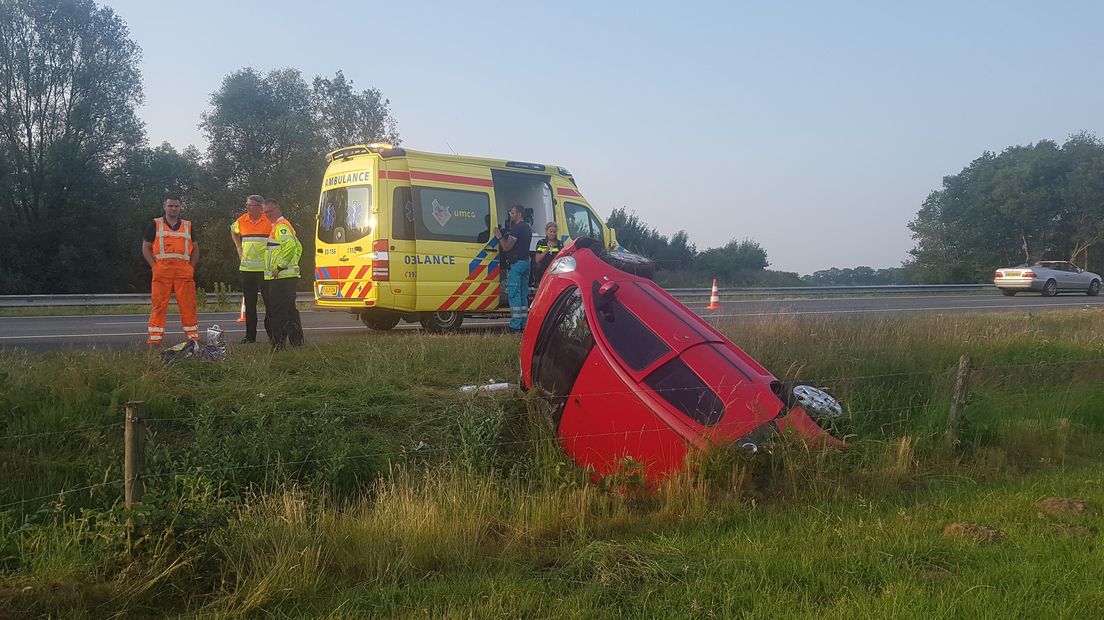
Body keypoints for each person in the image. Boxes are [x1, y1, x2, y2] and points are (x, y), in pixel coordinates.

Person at [142, 195, 200, 345]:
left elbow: (196, 249)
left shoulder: (188, 225)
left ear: (180, 207)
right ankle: (154, 339)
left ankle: (193, 338)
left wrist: (190, 268)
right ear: (164, 207)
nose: (174, 208)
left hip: (183, 272)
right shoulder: (155, 224)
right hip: (162, 271)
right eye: (171, 206)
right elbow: (146, 247)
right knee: (159, 305)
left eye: (176, 206)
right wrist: (154, 266)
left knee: (188, 305)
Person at [229, 194, 272, 343]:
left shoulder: (269, 220)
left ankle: (273, 335)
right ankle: (250, 336)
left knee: (269, 303)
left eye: (250, 205)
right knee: (249, 304)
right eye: (246, 205)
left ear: (260, 208)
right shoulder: (242, 220)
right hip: (247, 268)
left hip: (266, 269)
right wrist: (238, 247)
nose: (247, 207)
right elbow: (233, 230)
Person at [262, 199, 304, 349]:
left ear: (278, 209)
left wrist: (280, 267)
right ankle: (296, 341)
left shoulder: (281, 227)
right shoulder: (283, 226)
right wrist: (292, 264)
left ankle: (278, 344)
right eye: (265, 212)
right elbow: (299, 247)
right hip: (287, 276)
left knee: (278, 311)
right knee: (290, 310)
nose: (268, 215)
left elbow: (292, 246)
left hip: (280, 277)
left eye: (270, 211)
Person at [494, 204, 533, 332]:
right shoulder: (527, 228)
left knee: (514, 294)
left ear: (519, 214)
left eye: (512, 213)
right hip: (526, 263)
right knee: (522, 295)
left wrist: (499, 236)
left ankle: (515, 326)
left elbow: (506, 247)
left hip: (516, 265)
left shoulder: (517, 228)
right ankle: (523, 324)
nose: (510, 214)